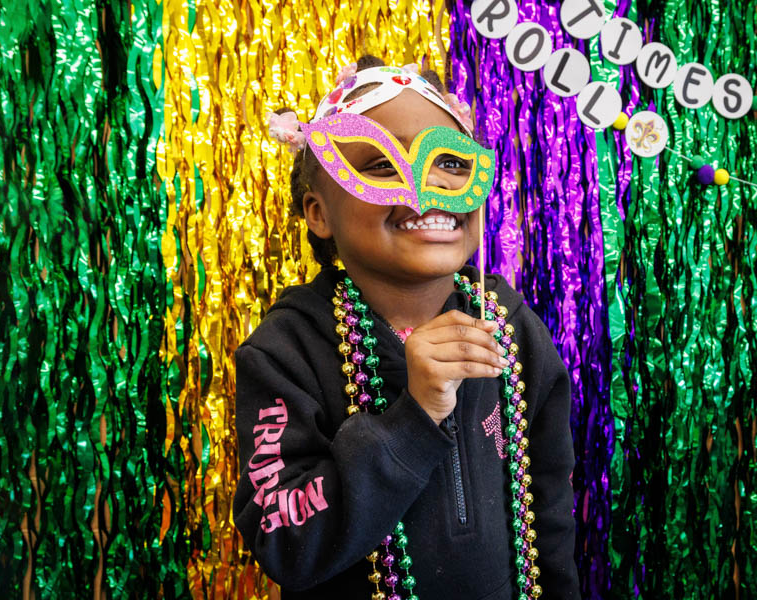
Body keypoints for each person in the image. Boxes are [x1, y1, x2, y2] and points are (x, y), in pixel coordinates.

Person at [233, 55, 579, 600]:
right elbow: (283, 540)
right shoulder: (285, 351)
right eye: (378, 165)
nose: (428, 185)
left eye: (452, 163)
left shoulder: (513, 329)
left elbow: (551, 514)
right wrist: (411, 421)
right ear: (318, 213)